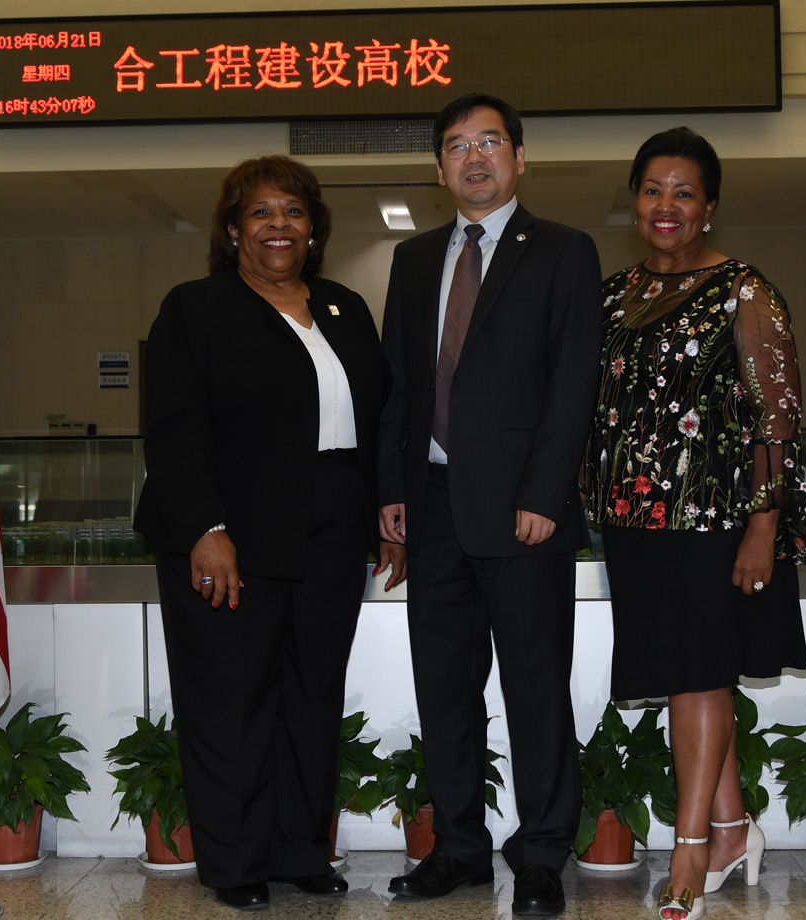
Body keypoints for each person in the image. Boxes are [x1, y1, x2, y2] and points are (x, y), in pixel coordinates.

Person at [134, 155, 405, 910]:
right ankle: (236, 863)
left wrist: (386, 512)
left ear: (314, 229)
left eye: (293, 212)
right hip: (231, 544)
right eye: (262, 212)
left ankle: (300, 852)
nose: (278, 226)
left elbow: (378, 421)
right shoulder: (196, 308)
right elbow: (173, 430)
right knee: (232, 706)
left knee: (310, 701)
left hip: (327, 541)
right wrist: (204, 529)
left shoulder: (346, 307)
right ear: (232, 230)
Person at [582, 128, 806, 920]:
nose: (666, 205)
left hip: (717, 520)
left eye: (684, 192)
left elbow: (777, 418)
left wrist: (765, 523)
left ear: (709, 207)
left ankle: (688, 853)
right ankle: (729, 829)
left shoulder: (746, 290)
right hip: (634, 523)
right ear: (635, 199)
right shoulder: (613, 294)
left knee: (696, 673)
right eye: (653, 189)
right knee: (696, 671)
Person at [376, 93, 603, 916]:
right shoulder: (413, 259)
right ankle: (462, 849)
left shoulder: (564, 252)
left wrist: (546, 492)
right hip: (429, 508)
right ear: (439, 168)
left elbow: (574, 381)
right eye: (456, 147)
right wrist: (391, 493)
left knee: (536, 687)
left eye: (490, 143)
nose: (474, 158)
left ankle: (541, 853)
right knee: (444, 688)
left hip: (521, 512)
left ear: (518, 156)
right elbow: (401, 388)